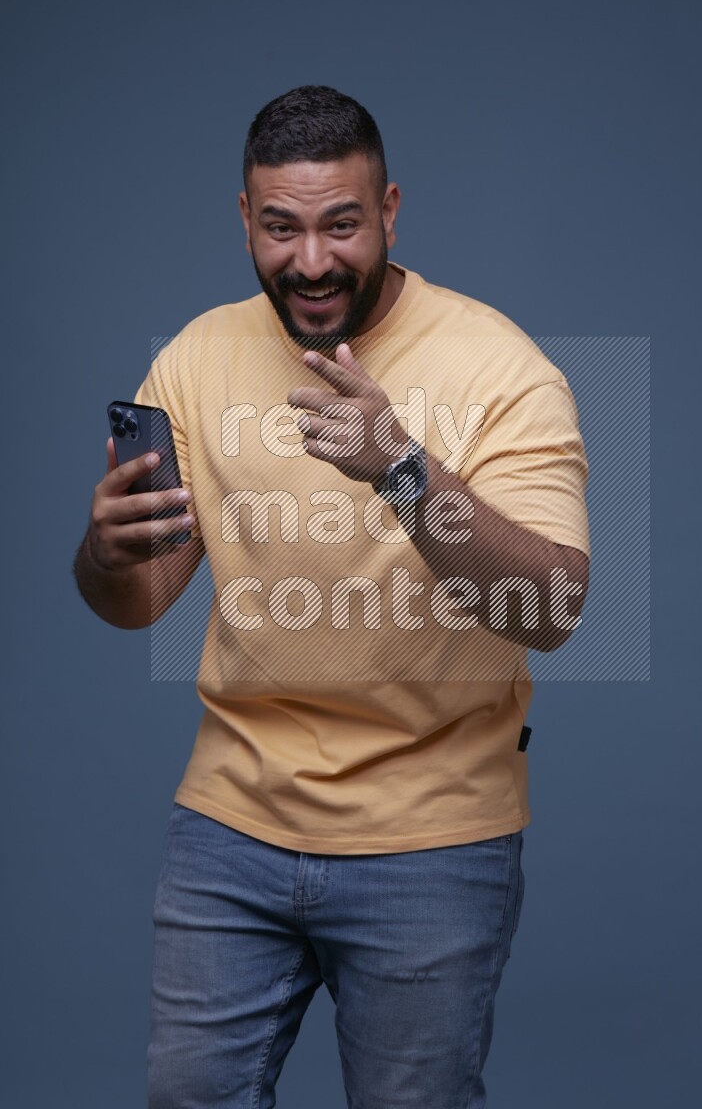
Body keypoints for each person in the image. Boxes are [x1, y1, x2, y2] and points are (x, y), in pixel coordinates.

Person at [74, 85, 590, 1108]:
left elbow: (551, 612)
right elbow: (139, 602)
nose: (311, 261)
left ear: (389, 210)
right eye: (282, 228)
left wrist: (403, 470)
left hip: (432, 835)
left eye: (341, 224)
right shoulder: (195, 358)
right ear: (245, 220)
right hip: (230, 824)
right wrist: (104, 551)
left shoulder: (502, 368)